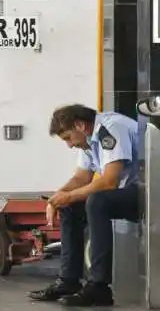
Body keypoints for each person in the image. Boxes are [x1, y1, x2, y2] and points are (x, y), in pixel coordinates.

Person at [28, 105, 141, 307]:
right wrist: (56, 198)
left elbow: (109, 182)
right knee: (70, 205)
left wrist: (68, 196)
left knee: (98, 201)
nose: (69, 145)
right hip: (132, 190)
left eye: (68, 138)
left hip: (149, 191)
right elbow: (82, 177)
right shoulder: (89, 138)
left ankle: (99, 287)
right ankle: (68, 281)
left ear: (80, 125)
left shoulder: (111, 129)